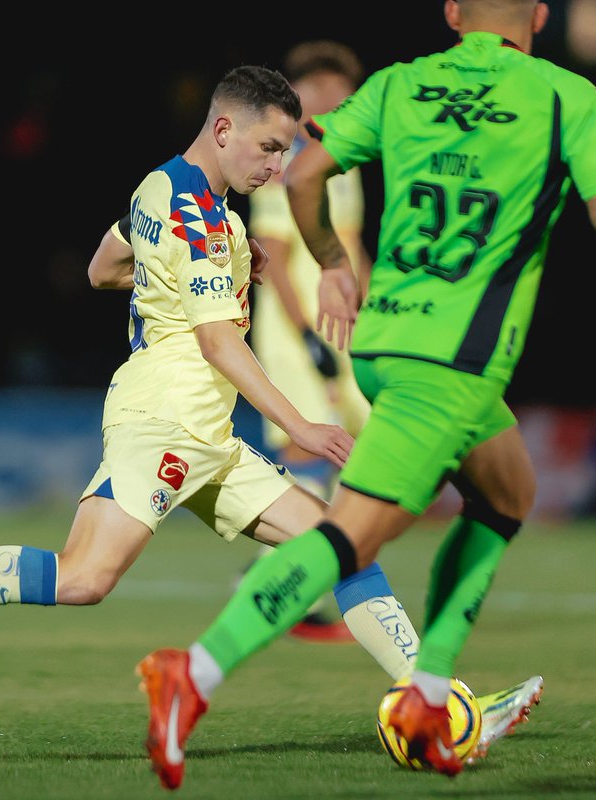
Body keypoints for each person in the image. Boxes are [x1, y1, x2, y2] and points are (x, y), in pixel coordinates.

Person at [137, 0, 596, 789]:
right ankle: (195, 672)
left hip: (380, 342)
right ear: (541, 15)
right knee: (348, 540)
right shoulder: (562, 95)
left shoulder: (402, 85)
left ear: (451, 13)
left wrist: (333, 261)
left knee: (508, 494)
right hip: (447, 362)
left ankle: (428, 694)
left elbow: (304, 171)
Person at [0, 65, 423, 690]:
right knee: (82, 578)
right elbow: (216, 342)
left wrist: (207, 269)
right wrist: (302, 426)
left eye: (286, 152)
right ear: (225, 127)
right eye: (269, 148)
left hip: (205, 430)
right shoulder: (197, 212)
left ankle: (431, 694)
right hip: (164, 422)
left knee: (344, 548)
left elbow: (103, 270)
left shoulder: (162, 189)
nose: (277, 167)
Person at [245, 40, 372, 642]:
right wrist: (303, 334)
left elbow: (351, 249)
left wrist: (375, 318)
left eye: (338, 92)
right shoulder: (284, 163)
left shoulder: (341, 164)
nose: (330, 101)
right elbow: (274, 258)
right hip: (296, 332)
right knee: (310, 449)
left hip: (344, 327)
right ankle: (288, 588)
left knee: (360, 448)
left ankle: (286, 577)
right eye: (317, 92)